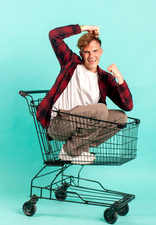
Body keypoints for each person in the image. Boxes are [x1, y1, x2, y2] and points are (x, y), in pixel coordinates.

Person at [36, 24, 133, 164]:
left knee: (121, 118)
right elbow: (54, 35)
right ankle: (70, 151)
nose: (91, 56)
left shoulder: (104, 78)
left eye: (95, 51)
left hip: (81, 126)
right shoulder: (71, 63)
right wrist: (85, 28)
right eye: (87, 52)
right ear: (81, 53)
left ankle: (80, 147)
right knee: (100, 110)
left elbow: (128, 106)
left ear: (101, 52)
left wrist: (119, 77)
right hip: (59, 123)